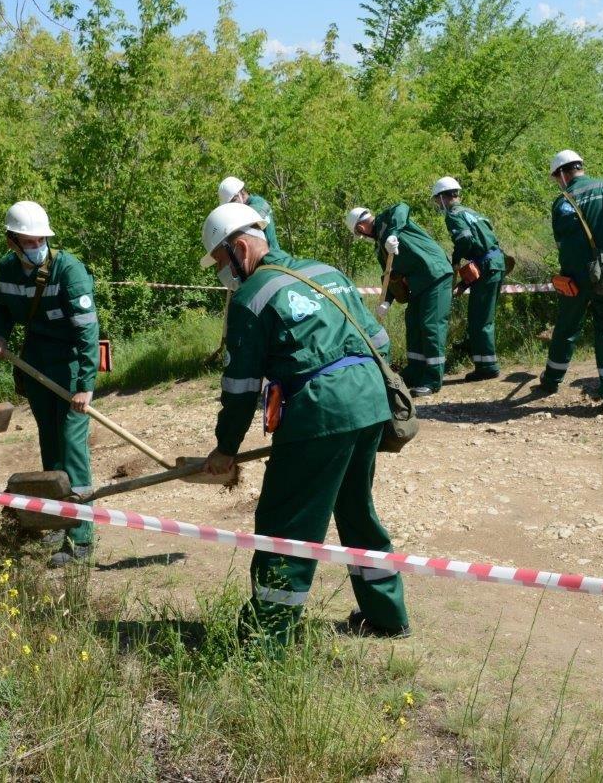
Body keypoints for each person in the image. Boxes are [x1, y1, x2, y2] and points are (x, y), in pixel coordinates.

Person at [199, 202, 409, 645]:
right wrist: (360, 392)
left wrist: (225, 448)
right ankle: (387, 616)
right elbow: (380, 340)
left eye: (220, 262)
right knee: (356, 511)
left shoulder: (251, 296)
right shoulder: (326, 271)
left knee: (285, 522)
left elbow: (239, 388)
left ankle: (267, 637)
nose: (223, 273)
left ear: (239, 248)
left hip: (320, 412)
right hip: (370, 403)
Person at [0, 201, 99, 566]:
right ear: (12, 242)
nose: (36, 246)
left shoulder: (70, 271)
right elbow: (2, 308)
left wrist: (85, 385)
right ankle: (55, 519)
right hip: (35, 366)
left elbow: (87, 333)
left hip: (69, 367)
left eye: (41, 240)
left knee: (71, 446)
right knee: (50, 445)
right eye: (28, 241)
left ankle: (80, 537)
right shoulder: (6, 270)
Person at [538, 150, 603, 411]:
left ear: (562, 173)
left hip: (574, 278)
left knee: (565, 328)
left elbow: (561, 242)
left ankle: (551, 381)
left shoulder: (561, 201)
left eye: (556, 177)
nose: (557, 182)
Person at [346, 202, 454, 396]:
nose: (362, 237)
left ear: (360, 228)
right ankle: (414, 371)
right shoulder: (381, 248)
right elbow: (390, 276)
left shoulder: (388, 219)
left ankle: (432, 379)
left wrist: (393, 233)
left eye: (359, 234)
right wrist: (387, 301)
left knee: (431, 326)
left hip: (435, 274)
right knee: (413, 323)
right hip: (417, 284)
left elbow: (402, 207)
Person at [432, 175, 507, 380]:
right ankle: (483, 361)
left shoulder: (454, 215)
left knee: (479, 319)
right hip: (495, 263)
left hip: (487, 266)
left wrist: (456, 261)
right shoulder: (473, 213)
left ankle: (487, 367)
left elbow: (464, 239)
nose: (438, 205)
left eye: (437, 200)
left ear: (443, 197)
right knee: (482, 316)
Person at [218, 176, 280, 251]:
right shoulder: (242, 212)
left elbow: (250, 220)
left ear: (242, 193)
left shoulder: (259, 203)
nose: (232, 207)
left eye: (233, 200)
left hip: (272, 257)